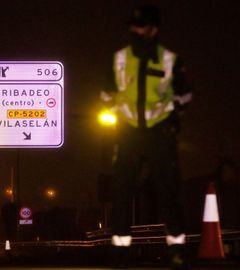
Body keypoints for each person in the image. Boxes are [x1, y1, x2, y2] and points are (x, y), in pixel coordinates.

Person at [100, 5, 192, 269]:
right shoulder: (118, 59)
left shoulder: (169, 60)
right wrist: (114, 112)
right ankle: (120, 252)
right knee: (121, 192)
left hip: (159, 132)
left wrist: (173, 120)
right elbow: (106, 94)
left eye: (141, 26)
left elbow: (185, 95)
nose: (135, 30)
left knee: (168, 190)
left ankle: (177, 250)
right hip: (128, 131)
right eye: (133, 26)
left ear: (154, 29)